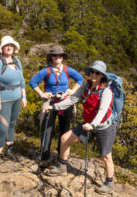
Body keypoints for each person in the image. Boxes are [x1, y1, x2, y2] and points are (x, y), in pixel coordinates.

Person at [43, 60, 116, 195]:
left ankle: (109, 182)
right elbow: (72, 99)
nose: (93, 74)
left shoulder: (106, 92)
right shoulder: (86, 87)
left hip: (103, 127)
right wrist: (54, 107)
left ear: (101, 76)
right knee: (65, 139)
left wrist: (92, 125)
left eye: (97, 73)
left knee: (106, 156)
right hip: (88, 124)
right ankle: (62, 166)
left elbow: (102, 111)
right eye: (92, 71)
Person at [29, 45, 83, 167]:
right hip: (50, 103)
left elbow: (80, 79)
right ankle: (45, 155)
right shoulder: (46, 71)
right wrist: (42, 94)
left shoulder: (68, 70)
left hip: (65, 103)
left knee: (64, 130)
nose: (57, 57)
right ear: (51, 57)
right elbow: (32, 82)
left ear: (63, 57)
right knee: (47, 129)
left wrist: (72, 91)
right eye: (55, 55)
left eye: (60, 55)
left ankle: (61, 155)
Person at [0, 35, 27, 170]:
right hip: (4, 99)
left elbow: (22, 80)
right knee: (2, 129)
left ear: (14, 48)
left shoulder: (17, 60)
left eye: (11, 45)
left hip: (17, 98)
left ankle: (9, 150)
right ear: (2, 47)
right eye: (7, 45)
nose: (9, 47)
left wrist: (24, 97)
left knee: (12, 124)